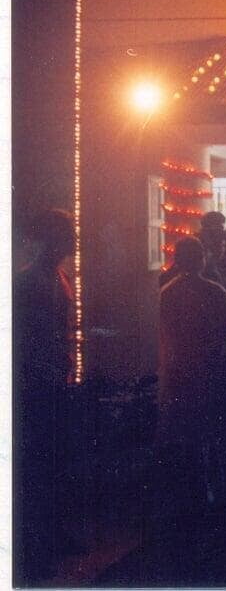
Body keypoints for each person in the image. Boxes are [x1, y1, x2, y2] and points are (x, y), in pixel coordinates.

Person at [156, 236, 226, 505]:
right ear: (201, 260)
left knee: (192, 434)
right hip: (217, 366)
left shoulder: (167, 292)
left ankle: (199, 490)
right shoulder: (212, 290)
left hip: (183, 369)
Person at [13, 209, 77, 582]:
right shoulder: (31, 281)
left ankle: (52, 535)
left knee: (53, 462)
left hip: (52, 377)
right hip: (37, 382)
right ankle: (39, 547)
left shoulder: (55, 277)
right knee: (39, 465)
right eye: (63, 237)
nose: (67, 244)